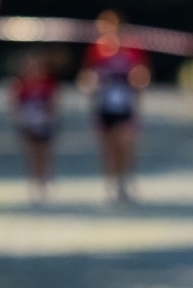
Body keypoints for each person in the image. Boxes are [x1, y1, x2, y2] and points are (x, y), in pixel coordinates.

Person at [78, 10, 148, 204]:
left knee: (124, 144)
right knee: (108, 146)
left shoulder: (132, 49)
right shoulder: (96, 50)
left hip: (125, 104)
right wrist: (89, 83)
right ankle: (111, 183)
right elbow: (87, 75)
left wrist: (139, 81)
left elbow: (142, 75)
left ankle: (124, 181)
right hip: (104, 104)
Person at [12, 51, 58, 202]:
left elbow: (54, 103)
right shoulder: (21, 84)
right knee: (32, 153)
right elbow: (16, 105)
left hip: (44, 123)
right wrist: (21, 120)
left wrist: (49, 118)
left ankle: (44, 179)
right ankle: (34, 182)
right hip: (28, 123)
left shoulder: (48, 83)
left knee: (43, 152)